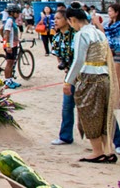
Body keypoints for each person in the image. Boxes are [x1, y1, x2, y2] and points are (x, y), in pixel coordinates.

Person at [64, 3, 118, 163]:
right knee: (104, 115)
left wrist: (68, 81)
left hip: (90, 78)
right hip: (104, 77)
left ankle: (98, 151)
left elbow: (79, 59)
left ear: (72, 20)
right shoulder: (98, 32)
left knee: (90, 114)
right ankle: (108, 150)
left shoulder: (82, 34)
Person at [95, 2, 120, 153]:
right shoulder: (111, 24)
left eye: (111, 10)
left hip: (117, 55)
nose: (109, 13)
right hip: (111, 55)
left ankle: (116, 102)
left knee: (116, 80)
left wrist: (98, 26)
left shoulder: (116, 25)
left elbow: (109, 38)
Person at [51, 8, 75, 145]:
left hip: (84, 75)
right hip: (69, 75)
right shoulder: (56, 37)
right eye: (55, 19)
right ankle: (65, 136)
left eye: (58, 18)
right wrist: (62, 64)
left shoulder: (76, 34)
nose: (55, 21)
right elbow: (58, 58)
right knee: (67, 106)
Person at [3, 4, 22, 89]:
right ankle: (7, 81)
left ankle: (10, 79)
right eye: (17, 13)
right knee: (9, 62)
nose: (18, 14)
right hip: (10, 45)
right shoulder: (9, 21)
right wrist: (7, 45)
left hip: (13, 44)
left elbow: (1, 29)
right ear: (12, 13)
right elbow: (6, 33)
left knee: (11, 62)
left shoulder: (12, 21)